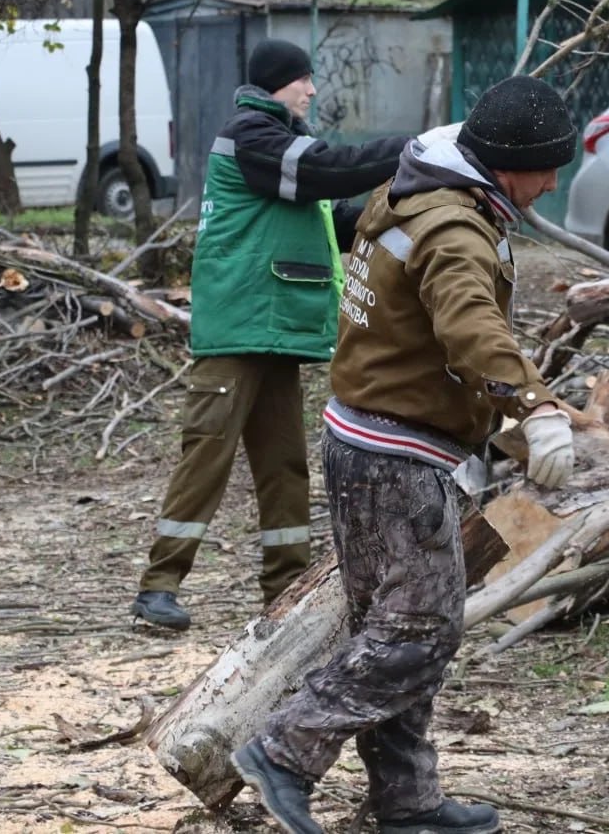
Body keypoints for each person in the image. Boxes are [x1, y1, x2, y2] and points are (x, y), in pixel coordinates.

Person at [230, 75, 579, 834]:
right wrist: (536, 405)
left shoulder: (417, 185)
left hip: (363, 434)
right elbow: (472, 328)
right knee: (421, 628)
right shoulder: (454, 229)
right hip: (397, 453)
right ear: (507, 160)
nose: (552, 183)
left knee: (390, 624)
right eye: (546, 167)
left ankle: (406, 800)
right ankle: (283, 751)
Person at [130, 40, 414, 630]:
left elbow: (326, 215)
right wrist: (409, 151)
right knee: (206, 456)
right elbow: (325, 169)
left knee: (285, 467)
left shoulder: (274, 147)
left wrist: (399, 202)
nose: (311, 91)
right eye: (302, 81)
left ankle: (284, 594)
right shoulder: (253, 137)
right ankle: (158, 588)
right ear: (276, 84)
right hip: (238, 328)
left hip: (275, 330)